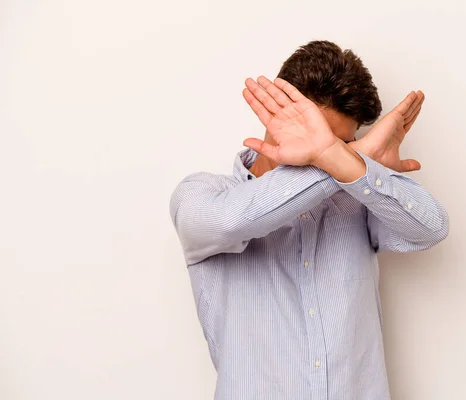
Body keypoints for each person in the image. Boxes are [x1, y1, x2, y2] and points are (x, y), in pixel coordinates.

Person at [169, 40, 449, 400]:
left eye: (339, 143)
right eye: (319, 138)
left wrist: (347, 163)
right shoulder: (201, 195)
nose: (326, 154)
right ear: (276, 114)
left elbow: (431, 228)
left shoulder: (356, 197)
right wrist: (351, 159)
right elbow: (230, 223)